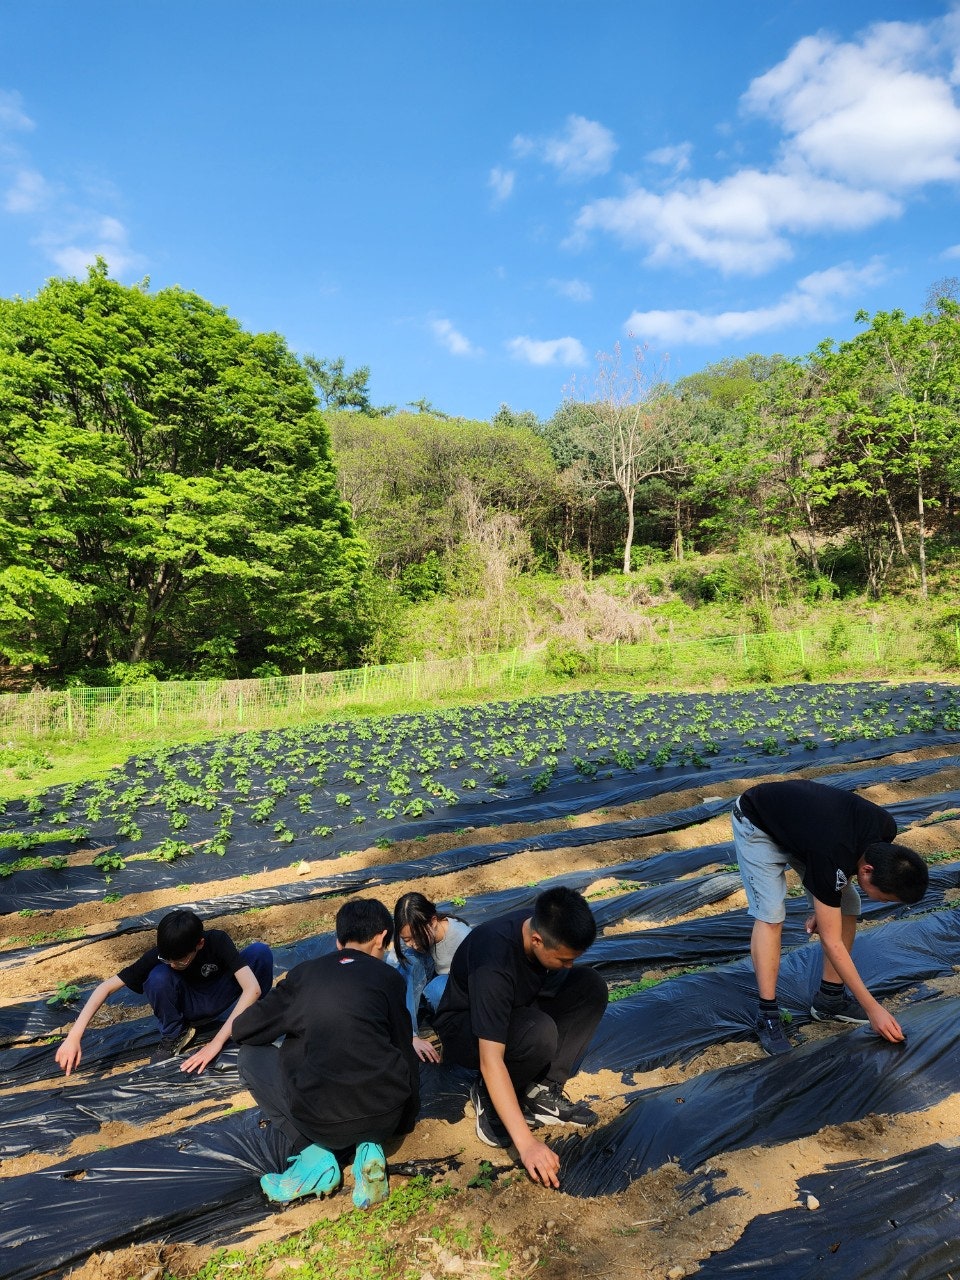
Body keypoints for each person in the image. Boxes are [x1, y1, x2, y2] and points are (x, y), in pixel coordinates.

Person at [233, 897, 420, 1209]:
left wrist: (293, 1021)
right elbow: (404, 1049)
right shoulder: (389, 979)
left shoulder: (304, 976)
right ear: (382, 939)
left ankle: (314, 1155)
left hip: (321, 1123)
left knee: (250, 1058)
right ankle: (369, 1146)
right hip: (385, 1115)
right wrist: (404, 1121)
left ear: (338, 942)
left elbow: (243, 1031)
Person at [731, 779, 929, 1056]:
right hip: (759, 821)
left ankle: (830, 999)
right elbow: (832, 941)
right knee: (771, 915)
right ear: (868, 870)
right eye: (884, 897)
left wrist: (824, 903)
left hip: (806, 831)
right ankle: (767, 1016)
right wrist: (874, 1009)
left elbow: (834, 868)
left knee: (848, 903)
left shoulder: (884, 829)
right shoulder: (831, 853)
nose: (880, 902)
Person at [433, 885, 608, 1191]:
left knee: (590, 985)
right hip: (465, 1027)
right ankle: (489, 1097)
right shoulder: (494, 960)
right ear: (537, 940)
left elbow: (561, 978)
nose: (568, 965)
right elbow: (491, 1059)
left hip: (516, 1006)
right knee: (538, 1033)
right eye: (564, 959)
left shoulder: (544, 925)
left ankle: (540, 1090)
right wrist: (527, 1146)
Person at [54, 909, 273, 1075]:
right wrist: (74, 1036)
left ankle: (255, 1019)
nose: (173, 964)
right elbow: (105, 987)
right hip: (192, 1006)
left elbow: (251, 988)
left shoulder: (217, 941)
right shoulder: (161, 957)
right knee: (157, 977)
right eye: (168, 959)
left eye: (180, 960)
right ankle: (175, 1033)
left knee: (259, 952)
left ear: (199, 944)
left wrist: (215, 1043)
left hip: (219, 994)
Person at [391, 891, 472, 1063]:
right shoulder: (416, 946)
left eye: (416, 937)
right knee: (408, 966)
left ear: (433, 922)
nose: (412, 944)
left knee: (437, 990)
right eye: (406, 939)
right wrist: (410, 1037)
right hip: (432, 975)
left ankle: (448, 1028)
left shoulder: (462, 938)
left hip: (455, 986)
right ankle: (409, 1030)